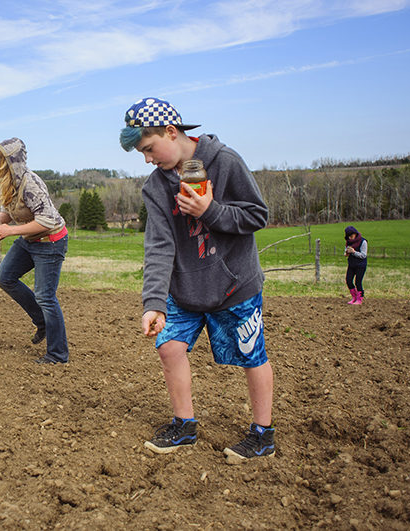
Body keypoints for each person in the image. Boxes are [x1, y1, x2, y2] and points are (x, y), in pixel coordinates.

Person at [120, 97, 275, 463]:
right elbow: (159, 245)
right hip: (184, 288)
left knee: (253, 355)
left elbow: (257, 215)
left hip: (234, 285)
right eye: (141, 153)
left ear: (171, 132)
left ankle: (262, 435)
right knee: (168, 346)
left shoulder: (224, 162)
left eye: (148, 148)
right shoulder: (155, 188)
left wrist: (211, 212)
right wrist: (153, 303)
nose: (147, 159)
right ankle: (184, 425)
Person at [0, 138, 69, 365]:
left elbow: (47, 221)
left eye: (0, 160)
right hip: (30, 240)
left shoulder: (31, 183)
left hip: (50, 241)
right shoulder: (10, 183)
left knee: (45, 296)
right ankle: (42, 321)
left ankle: (57, 355)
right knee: (4, 277)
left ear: (12, 161)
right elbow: (7, 212)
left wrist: (9, 231)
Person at [344, 225, 368, 305]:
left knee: (358, 282)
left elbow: (363, 255)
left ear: (355, 234)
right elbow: (346, 252)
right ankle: (353, 297)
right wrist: (347, 253)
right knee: (348, 280)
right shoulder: (348, 242)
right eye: (349, 237)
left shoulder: (363, 242)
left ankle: (359, 298)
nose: (350, 238)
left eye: (351, 236)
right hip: (351, 264)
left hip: (360, 265)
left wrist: (354, 252)